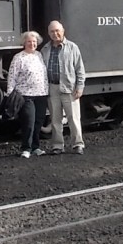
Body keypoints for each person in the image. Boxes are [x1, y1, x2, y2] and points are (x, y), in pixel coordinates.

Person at [40, 20, 85, 154]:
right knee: (55, 119)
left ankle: (78, 144)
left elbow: (80, 69)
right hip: (52, 88)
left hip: (69, 87)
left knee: (74, 118)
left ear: (63, 31)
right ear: (49, 33)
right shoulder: (45, 49)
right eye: (52, 31)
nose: (55, 34)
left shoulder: (72, 47)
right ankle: (58, 146)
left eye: (57, 31)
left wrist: (80, 86)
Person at [5, 30, 49, 159]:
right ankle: (26, 148)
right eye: (29, 41)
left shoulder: (39, 55)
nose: (32, 44)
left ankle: (36, 147)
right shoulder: (18, 58)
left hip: (41, 93)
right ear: (24, 43)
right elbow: (12, 77)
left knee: (38, 121)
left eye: (34, 42)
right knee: (28, 121)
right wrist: (10, 93)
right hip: (26, 95)